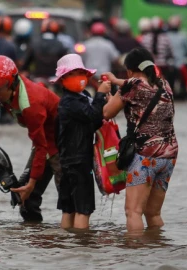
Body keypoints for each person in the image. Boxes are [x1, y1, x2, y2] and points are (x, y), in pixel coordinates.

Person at [0, 55, 62, 222]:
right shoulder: (6, 87)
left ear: (10, 84)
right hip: (44, 141)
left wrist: (31, 184)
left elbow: (41, 146)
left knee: (68, 201)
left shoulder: (31, 105)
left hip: (62, 143)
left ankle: (74, 240)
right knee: (24, 198)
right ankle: (35, 239)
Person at [102, 47, 178, 233]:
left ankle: (137, 255)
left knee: (133, 211)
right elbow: (137, 84)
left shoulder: (132, 86)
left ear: (129, 69)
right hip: (169, 154)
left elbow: (107, 112)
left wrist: (109, 94)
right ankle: (156, 248)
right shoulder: (163, 84)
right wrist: (116, 81)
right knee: (153, 213)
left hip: (146, 155)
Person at [53, 54, 110, 229]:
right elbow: (92, 115)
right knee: (82, 209)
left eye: (81, 73)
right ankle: (81, 246)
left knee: (69, 208)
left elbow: (93, 121)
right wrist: (100, 95)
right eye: (73, 73)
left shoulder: (82, 97)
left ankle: (68, 248)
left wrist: (102, 100)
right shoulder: (70, 102)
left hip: (70, 159)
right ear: (63, 79)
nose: (79, 77)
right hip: (77, 160)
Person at [166, 15, 187, 99]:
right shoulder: (183, 36)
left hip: (169, 63)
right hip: (180, 63)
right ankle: (183, 93)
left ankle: (171, 93)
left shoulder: (166, 36)